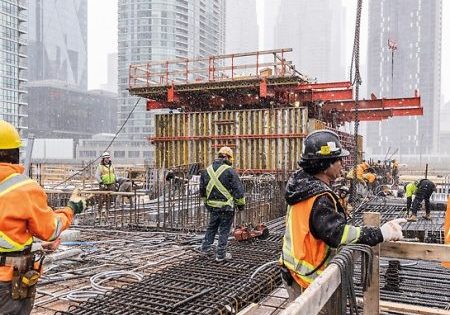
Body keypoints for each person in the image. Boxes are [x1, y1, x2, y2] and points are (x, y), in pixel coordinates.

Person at [279, 129, 406, 306]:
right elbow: (338, 234)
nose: (342, 165)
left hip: (294, 271)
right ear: (326, 164)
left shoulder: (303, 187)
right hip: (307, 279)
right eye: (339, 160)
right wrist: (380, 233)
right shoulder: (319, 196)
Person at [0, 120, 86, 314]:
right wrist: (71, 208)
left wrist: (35, 246)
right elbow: (50, 229)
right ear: (15, 153)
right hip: (6, 282)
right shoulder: (24, 189)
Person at [199, 146, 246, 262]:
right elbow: (238, 190)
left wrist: (208, 205)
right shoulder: (230, 171)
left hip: (213, 206)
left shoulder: (207, 170)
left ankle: (205, 250)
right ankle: (220, 255)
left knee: (212, 227)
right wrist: (241, 205)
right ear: (229, 158)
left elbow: (202, 191)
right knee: (224, 230)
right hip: (226, 207)